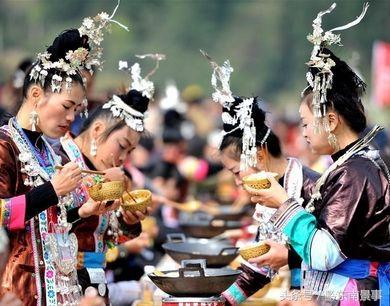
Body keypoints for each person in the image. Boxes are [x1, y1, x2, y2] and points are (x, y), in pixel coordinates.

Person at [244, 4, 389, 305]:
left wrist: (281, 202)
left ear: (332, 121)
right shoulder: (349, 166)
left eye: (307, 123)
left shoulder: (356, 172)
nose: (304, 132)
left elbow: (324, 253)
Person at [0, 4, 128, 304]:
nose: (71, 118)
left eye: (76, 110)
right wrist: (53, 190)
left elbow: (48, 221)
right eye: (67, 107)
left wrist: (82, 212)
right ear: (36, 95)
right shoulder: (5, 145)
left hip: (60, 288)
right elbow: (2, 213)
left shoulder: (48, 151)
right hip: (20, 292)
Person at [200, 52, 319, 305]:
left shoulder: (316, 188)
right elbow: (259, 269)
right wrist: (221, 302)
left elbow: (336, 256)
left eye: (235, 172)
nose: (236, 182)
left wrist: (289, 258)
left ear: (259, 155)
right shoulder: (267, 195)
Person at [58, 56, 163, 302]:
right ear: (96, 131)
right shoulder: (62, 161)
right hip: (64, 284)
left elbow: (108, 241)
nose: (123, 158)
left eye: (130, 152)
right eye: (122, 146)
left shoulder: (101, 172)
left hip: (96, 283)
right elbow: (52, 224)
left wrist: (128, 221)